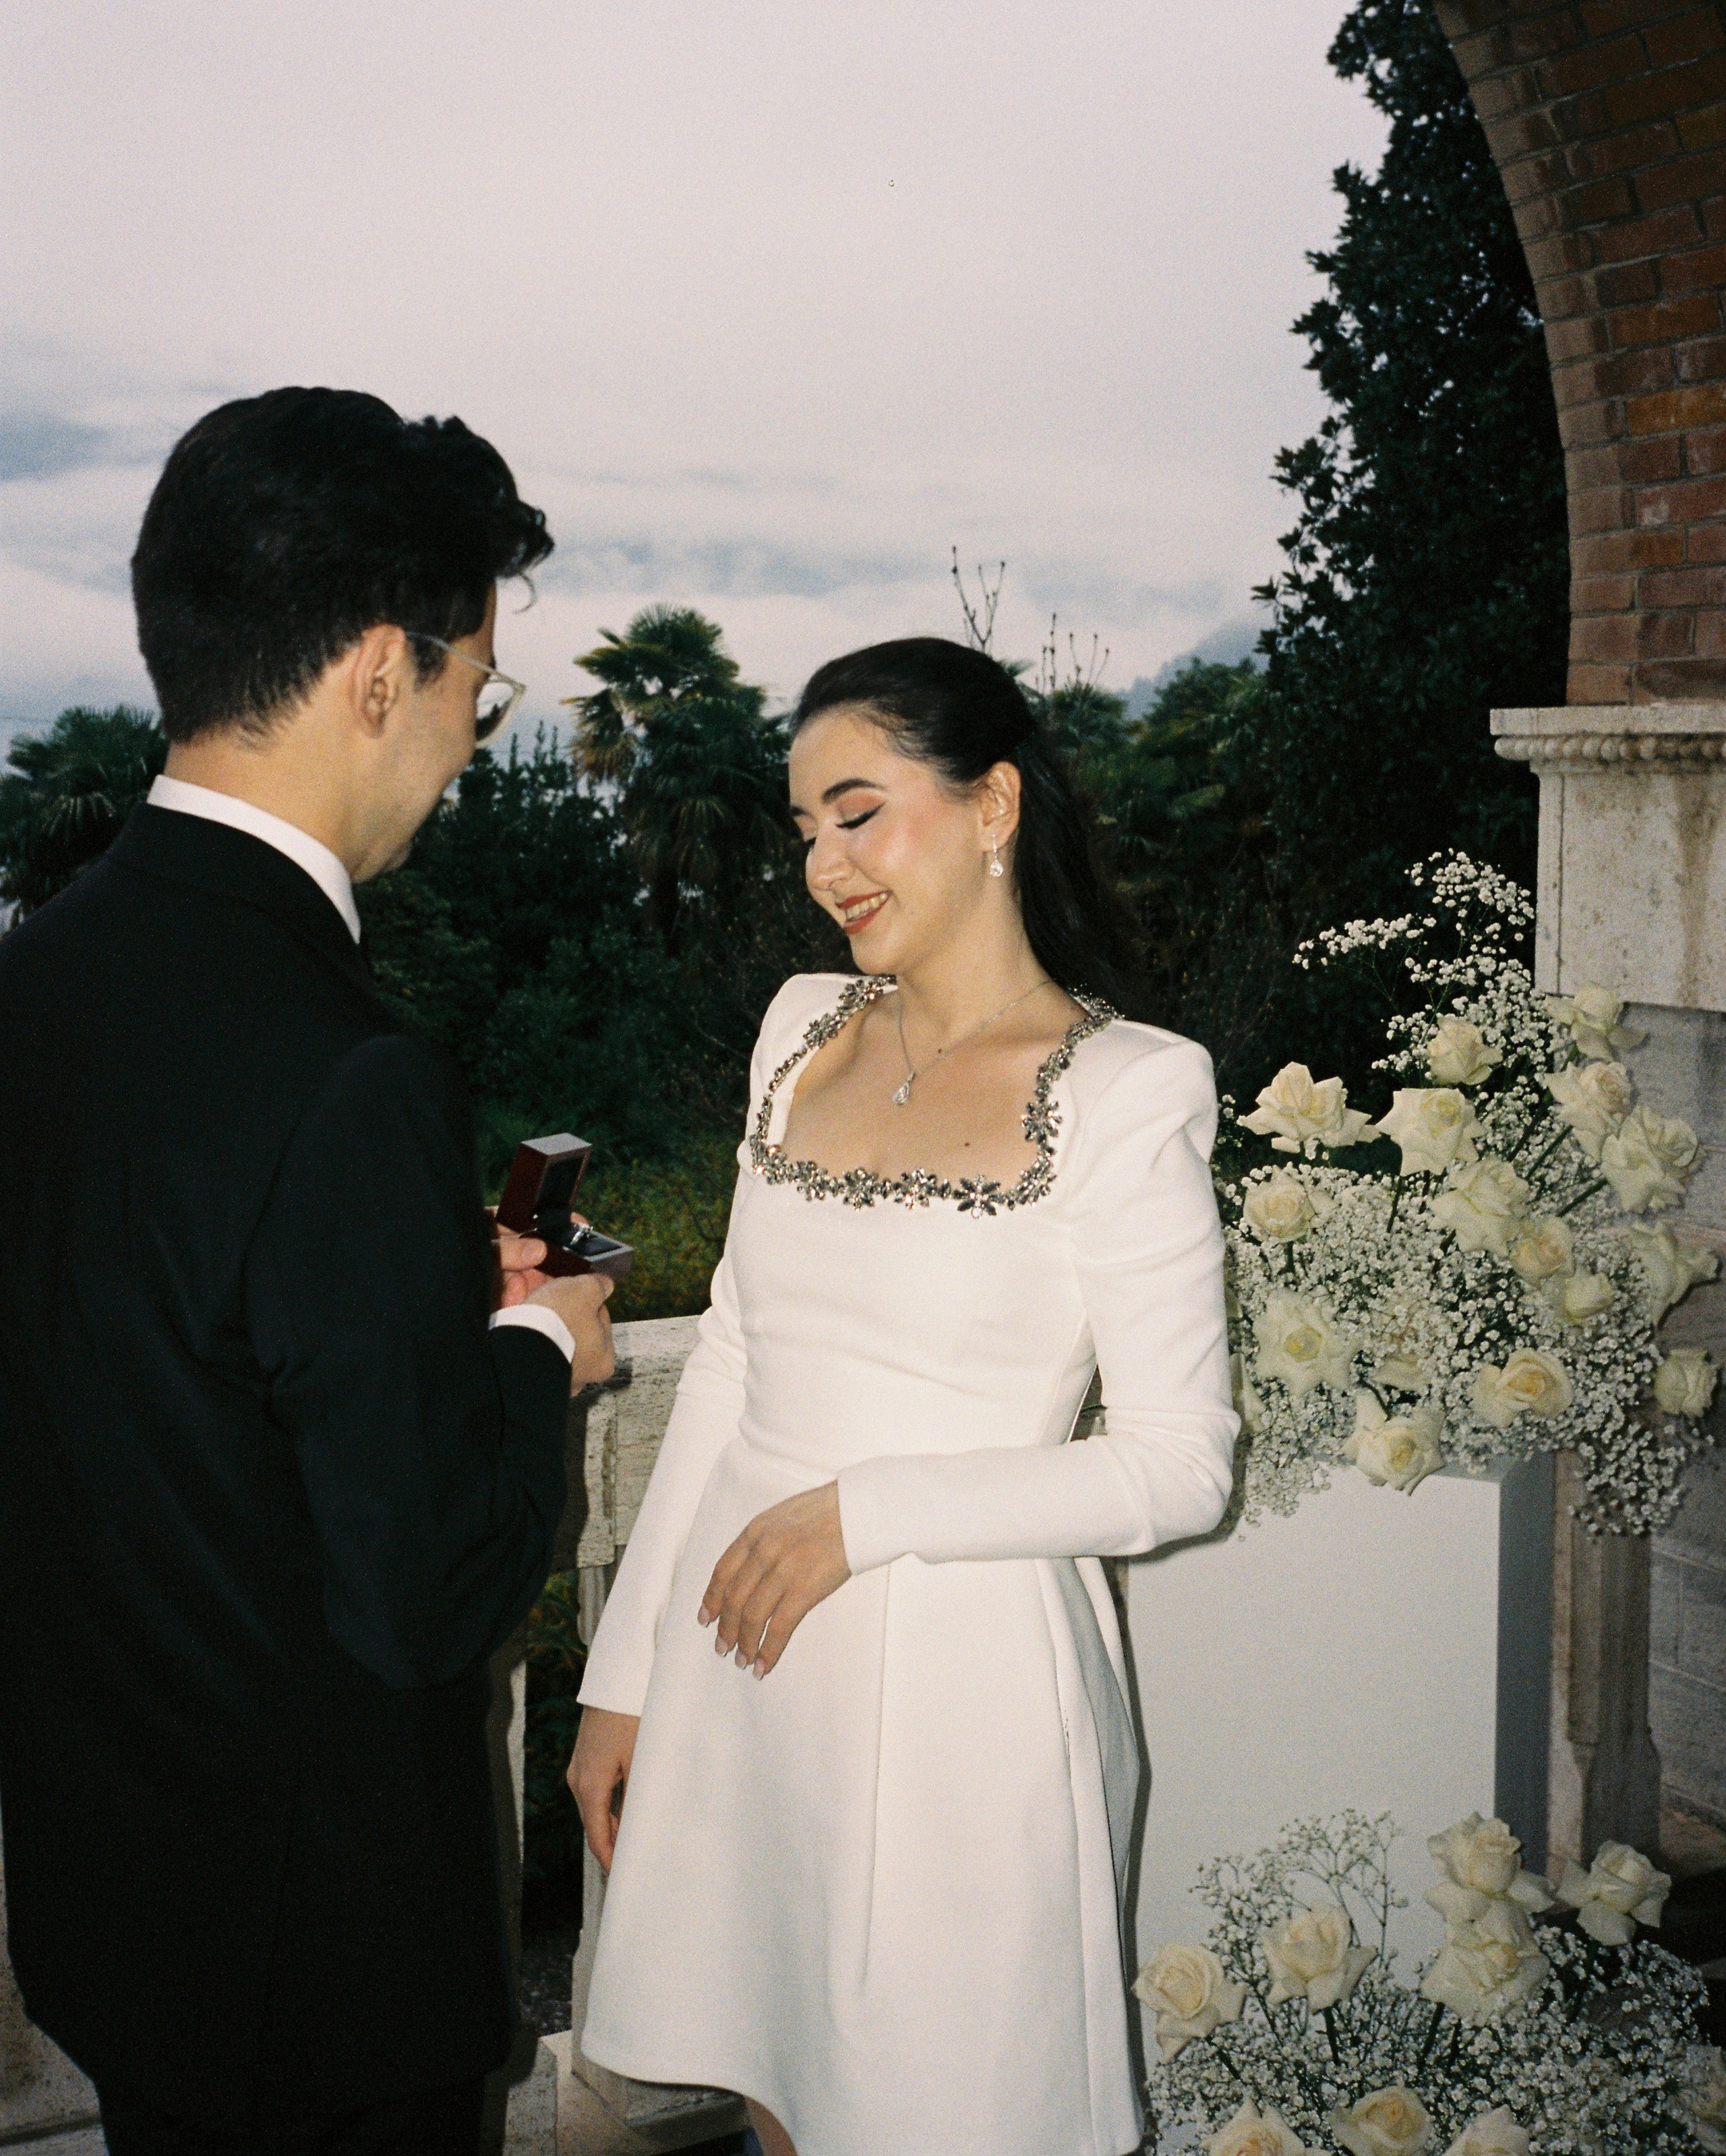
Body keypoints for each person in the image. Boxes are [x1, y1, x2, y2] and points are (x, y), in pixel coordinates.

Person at [0, 388, 616, 2156]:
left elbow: (172, 1358)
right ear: (376, 671)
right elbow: (423, 1587)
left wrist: (425, 1290)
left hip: (126, 1926)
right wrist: (527, 1344)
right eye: (473, 692)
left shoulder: (37, 980)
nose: (466, 742)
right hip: (328, 1981)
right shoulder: (346, 1061)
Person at [569, 636, 1239, 2156]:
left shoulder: (1128, 1086)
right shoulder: (798, 1024)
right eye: (804, 825)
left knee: (933, 2111)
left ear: (992, 801)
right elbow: (735, 1352)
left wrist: (864, 1514)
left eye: (858, 811)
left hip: (962, 1690)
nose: (823, 862)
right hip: (746, 1665)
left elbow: (1177, 1463)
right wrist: (626, 1675)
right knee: (774, 2089)